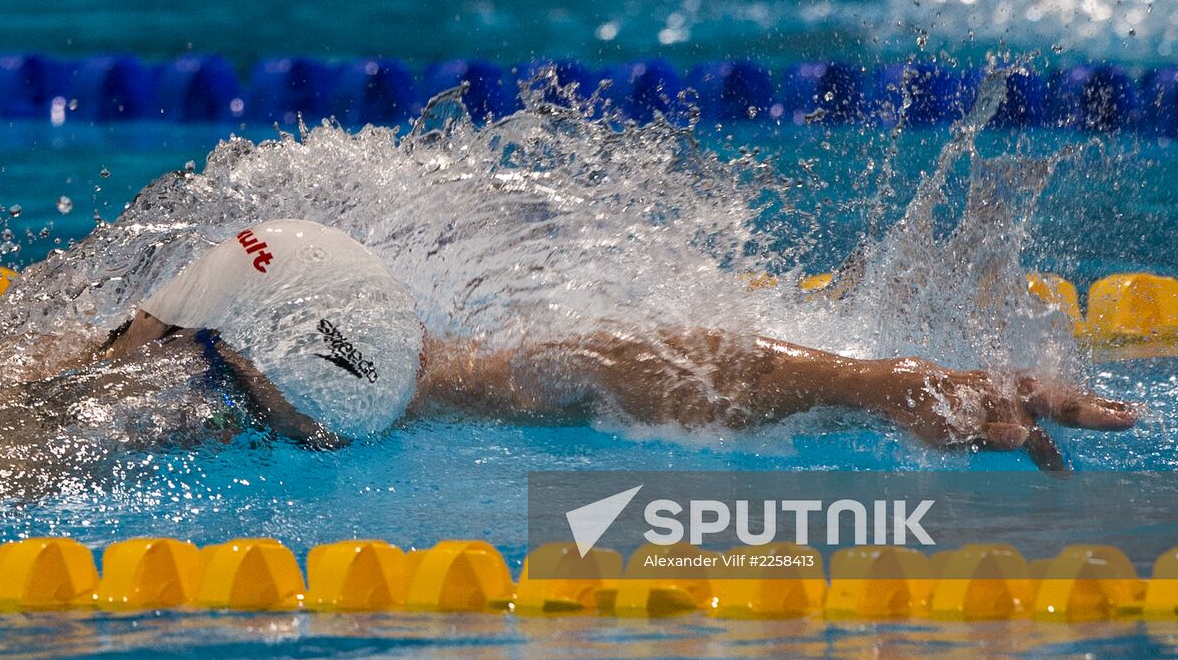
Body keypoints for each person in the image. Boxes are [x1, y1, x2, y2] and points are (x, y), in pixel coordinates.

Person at [102, 218, 1140, 471]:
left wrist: (875, 382)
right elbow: (596, 367)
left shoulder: (414, 390)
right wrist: (873, 383)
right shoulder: (418, 383)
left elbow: (604, 365)